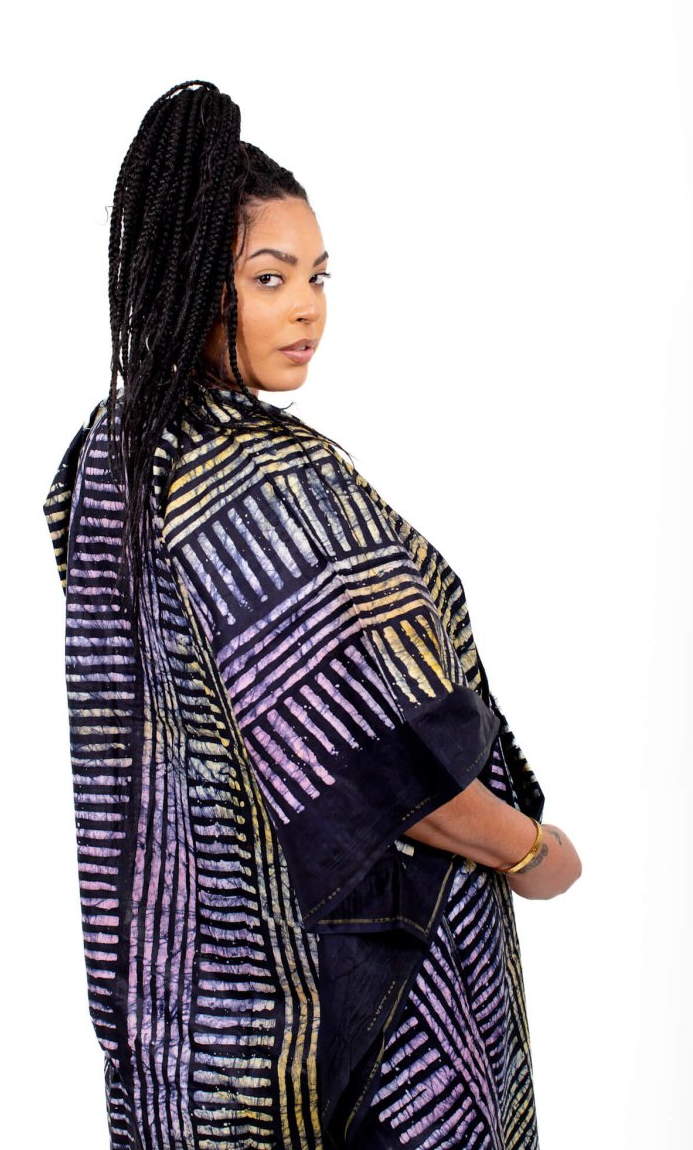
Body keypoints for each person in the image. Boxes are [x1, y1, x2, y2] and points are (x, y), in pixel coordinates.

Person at [43, 79, 582, 1150]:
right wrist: (533, 853)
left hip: (199, 993)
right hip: (361, 987)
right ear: (191, 281)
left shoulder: (114, 457)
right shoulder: (252, 478)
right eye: (267, 277)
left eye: (317, 275)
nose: (306, 308)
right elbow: (382, 772)